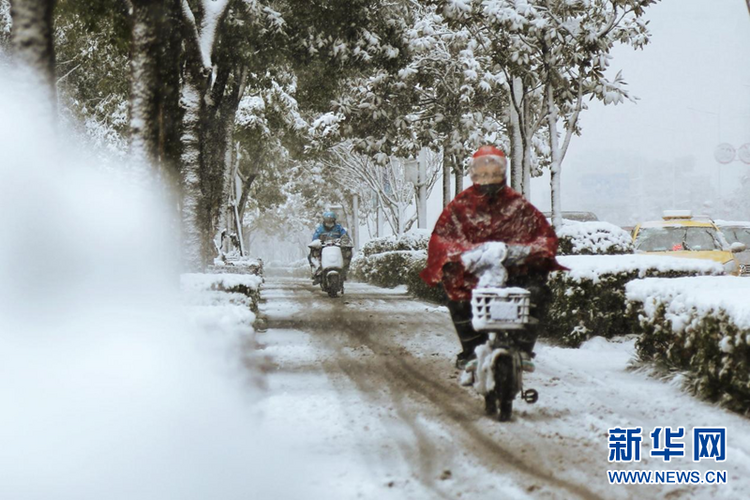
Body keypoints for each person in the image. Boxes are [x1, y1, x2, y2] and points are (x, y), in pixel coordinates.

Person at [420, 145, 566, 369]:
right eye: (483, 170)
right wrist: (461, 257)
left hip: (516, 276)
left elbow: (544, 238)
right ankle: (471, 350)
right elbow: (442, 240)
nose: (489, 176)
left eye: (494, 170)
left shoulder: (518, 206)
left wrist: (523, 253)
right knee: (454, 290)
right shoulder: (460, 207)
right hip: (473, 279)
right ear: (473, 172)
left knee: (538, 290)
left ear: (503, 171)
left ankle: (523, 349)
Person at [309, 211, 353, 283]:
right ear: (324, 221)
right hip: (323, 248)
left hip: (337, 248)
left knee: (347, 254)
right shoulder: (320, 229)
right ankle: (317, 271)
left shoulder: (339, 228)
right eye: (327, 221)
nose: (329, 223)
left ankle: (345, 271)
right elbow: (315, 237)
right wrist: (317, 242)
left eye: (331, 221)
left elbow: (344, 236)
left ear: (334, 221)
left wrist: (345, 241)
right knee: (312, 255)